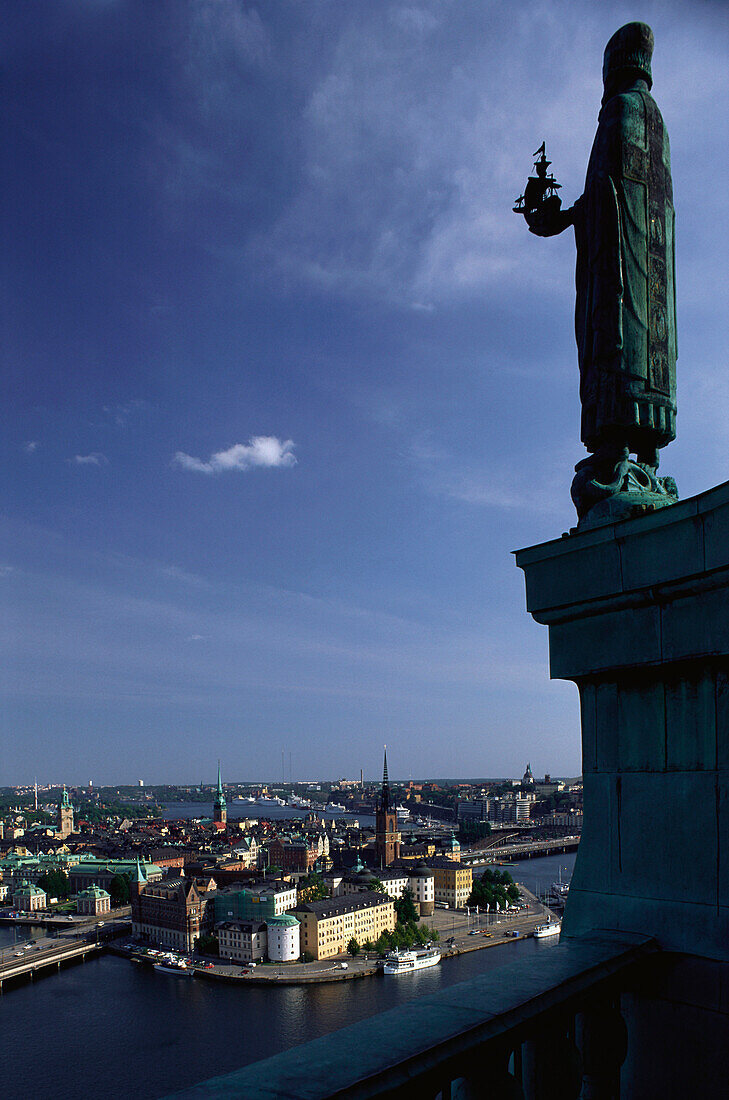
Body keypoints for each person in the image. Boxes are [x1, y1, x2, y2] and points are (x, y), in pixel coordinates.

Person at [527, 23, 677, 481]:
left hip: (621, 274)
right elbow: (614, 197)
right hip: (652, 278)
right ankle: (647, 447)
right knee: (649, 341)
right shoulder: (656, 120)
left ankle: (614, 442)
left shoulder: (620, 111)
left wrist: (564, 218)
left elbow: (608, 199)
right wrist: (573, 215)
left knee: (613, 341)